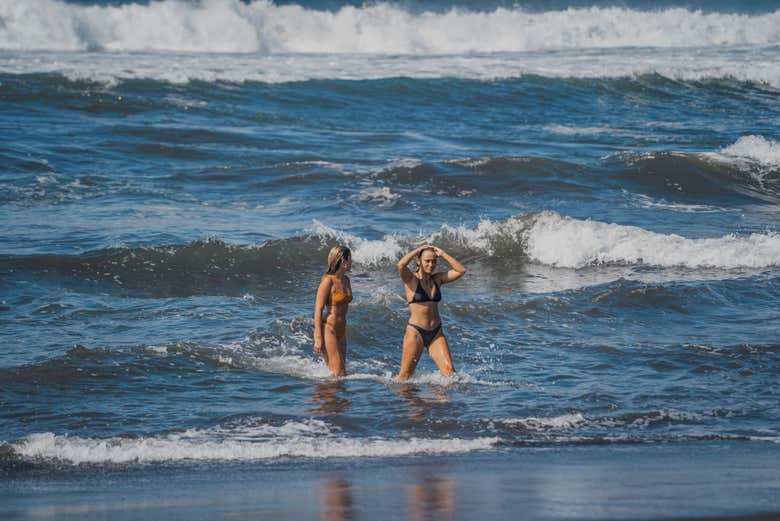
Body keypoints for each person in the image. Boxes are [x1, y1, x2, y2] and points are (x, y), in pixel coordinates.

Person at [396, 245, 465, 381]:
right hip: (416, 333)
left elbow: (461, 270)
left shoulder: (437, 279)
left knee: (450, 373)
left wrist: (443, 253)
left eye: (434, 261)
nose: (431, 264)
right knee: (405, 377)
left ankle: (441, 402)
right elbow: (401, 265)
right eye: (427, 261)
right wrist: (418, 250)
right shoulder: (411, 279)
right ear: (418, 261)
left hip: (436, 333)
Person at [314, 246, 353, 376]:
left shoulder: (346, 280)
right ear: (342, 260)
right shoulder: (327, 281)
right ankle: (323, 395)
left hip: (342, 330)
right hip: (329, 328)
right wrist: (318, 337)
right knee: (338, 372)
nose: (352, 261)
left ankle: (330, 395)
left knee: (342, 374)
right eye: (350, 258)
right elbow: (318, 309)